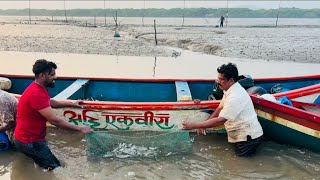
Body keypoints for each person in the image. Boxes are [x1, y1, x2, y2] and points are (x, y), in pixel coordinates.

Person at [14, 59, 93, 171]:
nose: (55, 77)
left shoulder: (39, 88)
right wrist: (80, 129)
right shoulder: (36, 93)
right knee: (56, 169)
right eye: (52, 74)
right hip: (30, 142)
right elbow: (54, 121)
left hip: (26, 139)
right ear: (42, 75)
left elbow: (50, 102)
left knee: (42, 165)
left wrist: (71, 104)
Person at [183, 63, 263, 157]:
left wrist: (193, 125)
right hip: (240, 135)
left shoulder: (235, 96)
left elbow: (220, 120)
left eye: (221, 80)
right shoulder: (229, 90)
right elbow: (219, 108)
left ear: (231, 80)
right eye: (218, 78)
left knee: (241, 166)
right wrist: (204, 125)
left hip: (249, 138)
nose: (218, 82)